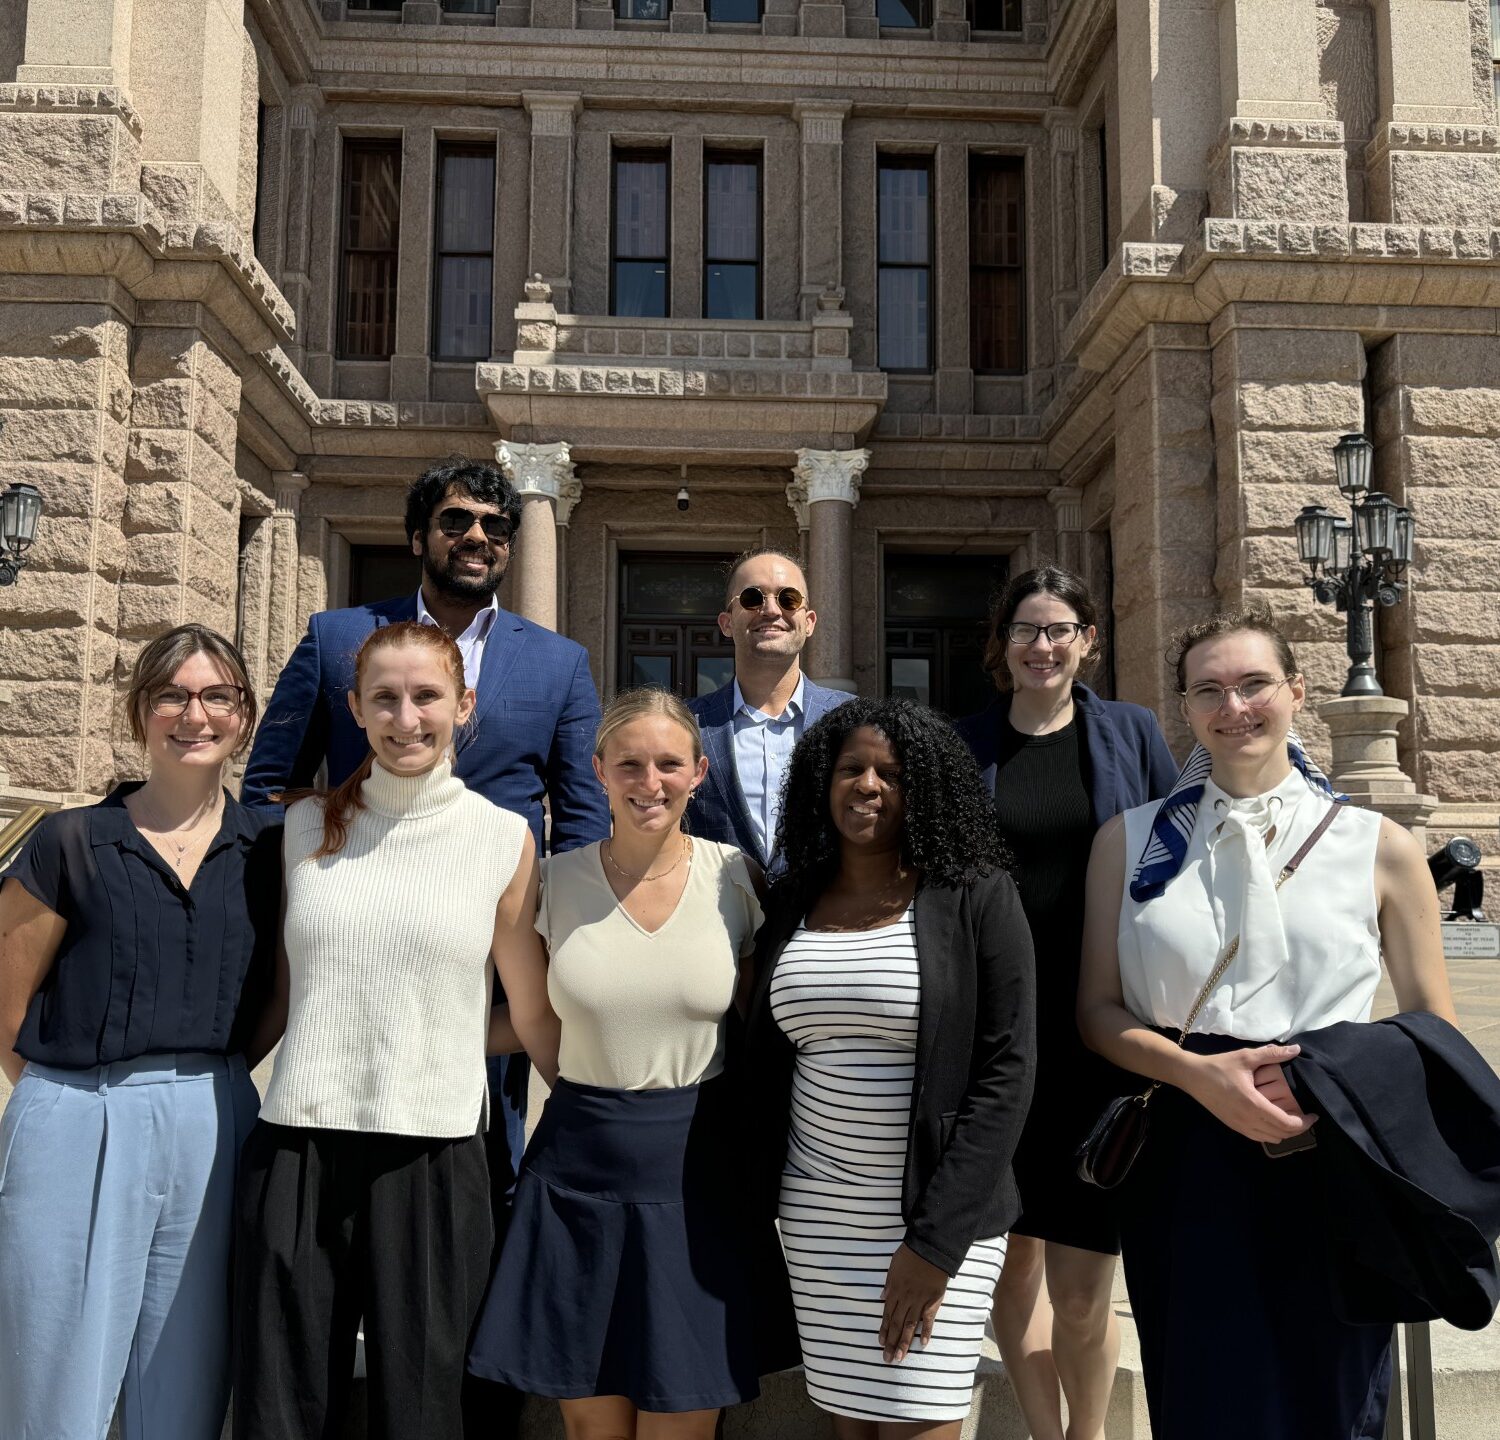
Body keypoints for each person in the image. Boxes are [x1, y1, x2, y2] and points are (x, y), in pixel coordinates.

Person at [240, 457, 609, 1431]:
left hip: (478, 958)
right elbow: (263, 789)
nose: (479, 537)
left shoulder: (556, 664)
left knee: (455, 1258)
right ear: (420, 537)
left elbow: (576, 824)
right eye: (457, 521)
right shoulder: (335, 641)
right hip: (340, 965)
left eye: (496, 524)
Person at [1076, 608, 1457, 1440]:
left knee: (1334, 1385)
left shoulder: (1379, 846)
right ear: (1185, 708)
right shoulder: (1130, 842)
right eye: (1209, 690)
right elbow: (1099, 1013)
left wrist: (1330, 1082)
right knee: (1203, 1384)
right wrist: (1198, 1077)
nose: (1233, 706)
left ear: (1297, 692)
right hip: (1184, 1145)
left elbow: (1433, 1025)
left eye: (1253, 684)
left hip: (1330, 1141)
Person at [234, 621, 552, 1440]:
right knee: (282, 1401)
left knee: (427, 1407)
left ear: (464, 705)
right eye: (384, 698)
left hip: (436, 1154)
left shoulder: (501, 839)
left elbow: (529, 1013)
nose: (405, 718)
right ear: (354, 708)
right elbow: (283, 992)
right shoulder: (302, 830)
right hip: (298, 1145)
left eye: (426, 696)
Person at [469, 688, 773, 1440]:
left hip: (699, 1177)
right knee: (591, 1429)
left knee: (683, 1427)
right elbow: (531, 1017)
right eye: (630, 764)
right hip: (577, 1173)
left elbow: (764, 1024)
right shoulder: (550, 882)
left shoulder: (737, 877)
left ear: (699, 772)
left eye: (670, 763)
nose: (651, 781)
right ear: (599, 771)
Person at [0, 625, 278, 1440]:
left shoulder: (268, 849)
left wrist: (209, 1080)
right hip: (78, 1113)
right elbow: (5, 1001)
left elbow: (277, 1002)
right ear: (140, 712)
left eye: (217, 696)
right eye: (173, 695)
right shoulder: (70, 840)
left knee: (187, 1383)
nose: (195, 715)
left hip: (216, 1114)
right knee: (57, 1380)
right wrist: (66, 1103)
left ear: (244, 716)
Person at [745, 698, 1037, 1436]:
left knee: (918, 1417)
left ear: (925, 788)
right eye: (851, 769)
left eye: (890, 773)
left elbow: (1008, 1072)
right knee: (849, 1424)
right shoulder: (790, 901)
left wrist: (934, 1245)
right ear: (822, 781)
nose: (867, 785)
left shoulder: (976, 894)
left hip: (938, 1219)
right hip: (818, 1220)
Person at [953, 566, 1176, 1440]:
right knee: (1012, 1271)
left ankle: (1090, 1434)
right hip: (999, 1039)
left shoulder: (1132, 733)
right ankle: (1049, 1434)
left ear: (1087, 641)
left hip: (1099, 1036)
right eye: (1025, 631)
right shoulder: (962, 744)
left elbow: (1174, 854)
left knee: (1085, 1287)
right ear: (1001, 646)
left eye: (1059, 631)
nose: (1041, 647)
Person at [686, 547, 848, 871]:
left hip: (822, 919)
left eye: (788, 599)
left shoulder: (852, 721)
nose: (771, 610)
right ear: (727, 622)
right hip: (719, 918)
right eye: (752, 598)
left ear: (809, 621)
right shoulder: (686, 725)